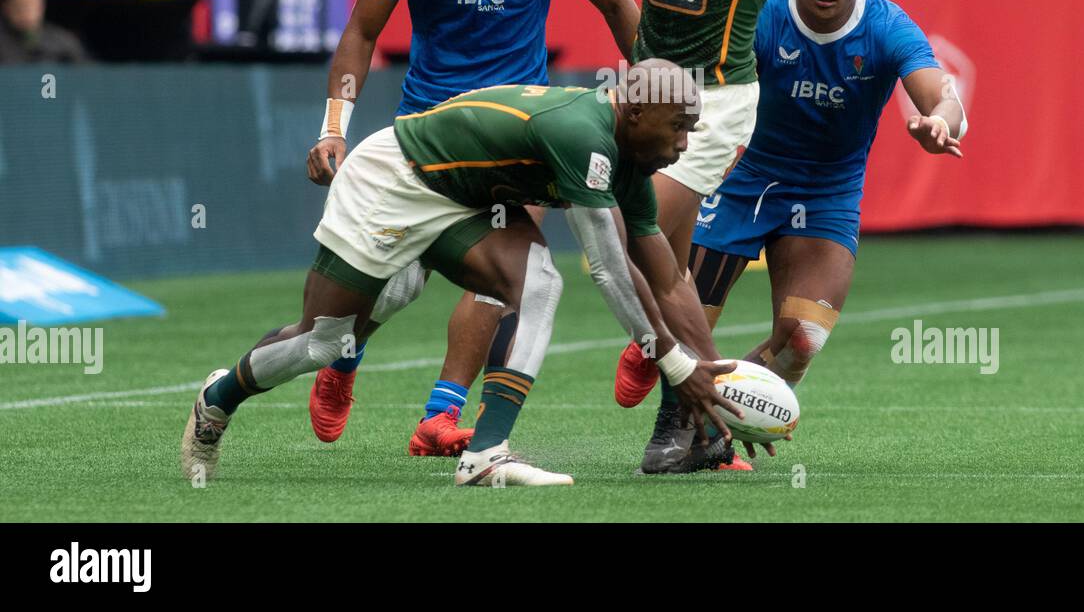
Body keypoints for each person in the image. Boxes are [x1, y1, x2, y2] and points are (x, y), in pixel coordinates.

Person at [525, 0, 878, 472]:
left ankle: (682, 392)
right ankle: (690, 407)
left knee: (640, 247)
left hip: (714, 101)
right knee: (663, 264)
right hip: (644, 91)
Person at [182, 67, 743, 487]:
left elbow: (669, 283)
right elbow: (610, 270)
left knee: (540, 283)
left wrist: (710, 382)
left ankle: (486, 453)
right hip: (395, 181)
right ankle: (219, 395)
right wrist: (674, 363)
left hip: (467, 204)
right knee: (324, 342)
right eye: (679, 127)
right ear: (636, 114)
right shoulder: (583, 135)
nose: (684, 144)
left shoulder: (631, 166)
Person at [303, 0, 642, 457]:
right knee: (395, 285)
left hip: (516, 137)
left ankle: (441, 414)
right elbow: (361, 35)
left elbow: (617, 5)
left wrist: (653, 88)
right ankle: (342, 360)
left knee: (506, 277)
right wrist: (334, 127)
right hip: (426, 137)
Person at [690, 0, 964, 460]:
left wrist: (942, 124)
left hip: (827, 194)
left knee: (801, 340)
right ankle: (678, 435)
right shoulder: (761, 7)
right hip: (744, 179)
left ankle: (716, 426)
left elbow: (943, 94)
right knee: (691, 329)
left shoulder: (887, 26)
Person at [0, 0, 86, 64]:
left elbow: (82, 74)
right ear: (5, 8)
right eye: (19, 7)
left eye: (31, 5)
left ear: (41, 6)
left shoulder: (63, 42)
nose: (27, 13)